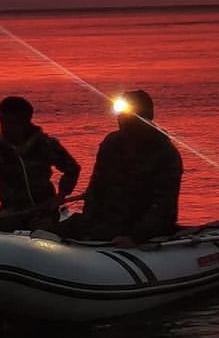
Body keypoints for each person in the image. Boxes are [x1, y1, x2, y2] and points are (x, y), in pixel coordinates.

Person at [59, 89, 182, 246]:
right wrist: (89, 222)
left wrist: (136, 236)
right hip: (108, 220)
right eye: (120, 112)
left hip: (140, 226)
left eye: (128, 113)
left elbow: (164, 204)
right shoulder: (111, 143)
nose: (121, 118)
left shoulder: (164, 153)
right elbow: (96, 187)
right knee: (56, 229)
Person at [0, 95, 81, 227]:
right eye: (3, 122)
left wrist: (61, 195)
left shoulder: (46, 145)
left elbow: (72, 168)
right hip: (10, 214)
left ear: (26, 122)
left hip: (44, 212)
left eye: (12, 123)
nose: (6, 128)